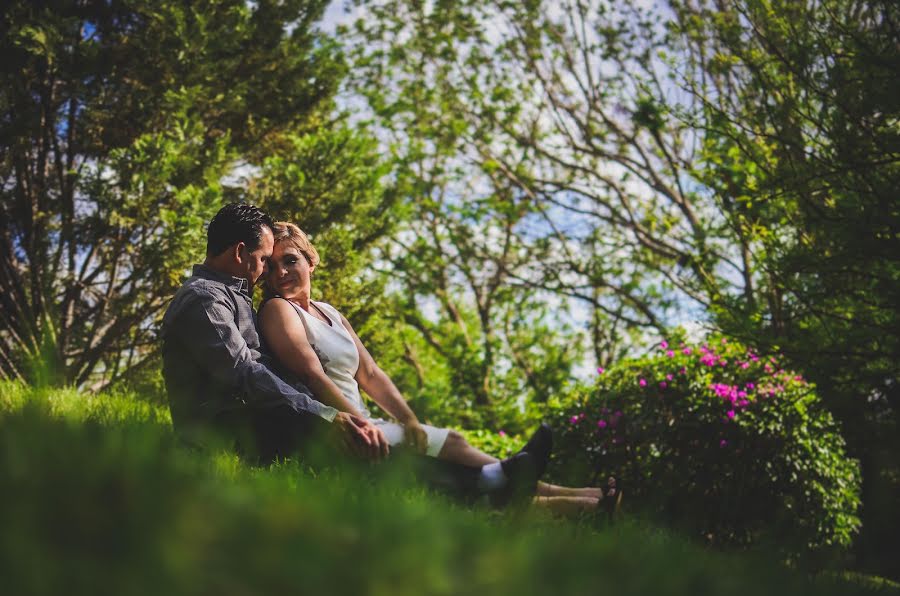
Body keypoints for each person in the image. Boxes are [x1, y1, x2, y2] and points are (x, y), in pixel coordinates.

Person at [160, 203, 544, 506]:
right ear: (241, 252)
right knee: (348, 442)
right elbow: (244, 373)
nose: (266, 272)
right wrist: (326, 414)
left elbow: (363, 372)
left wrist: (328, 415)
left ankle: (488, 483)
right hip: (223, 433)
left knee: (352, 444)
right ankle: (488, 484)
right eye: (263, 260)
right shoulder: (205, 299)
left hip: (258, 420)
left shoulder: (231, 296)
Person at [259, 221, 621, 516]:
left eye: (290, 260)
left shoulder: (331, 313)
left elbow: (370, 373)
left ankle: (588, 504)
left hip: (366, 421)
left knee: (476, 483)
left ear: (311, 261)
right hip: (343, 427)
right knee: (457, 449)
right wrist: (363, 424)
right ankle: (573, 495)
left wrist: (408, 418)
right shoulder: (278, 310)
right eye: (271, 267)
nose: (281, 274)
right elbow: (311, 374)